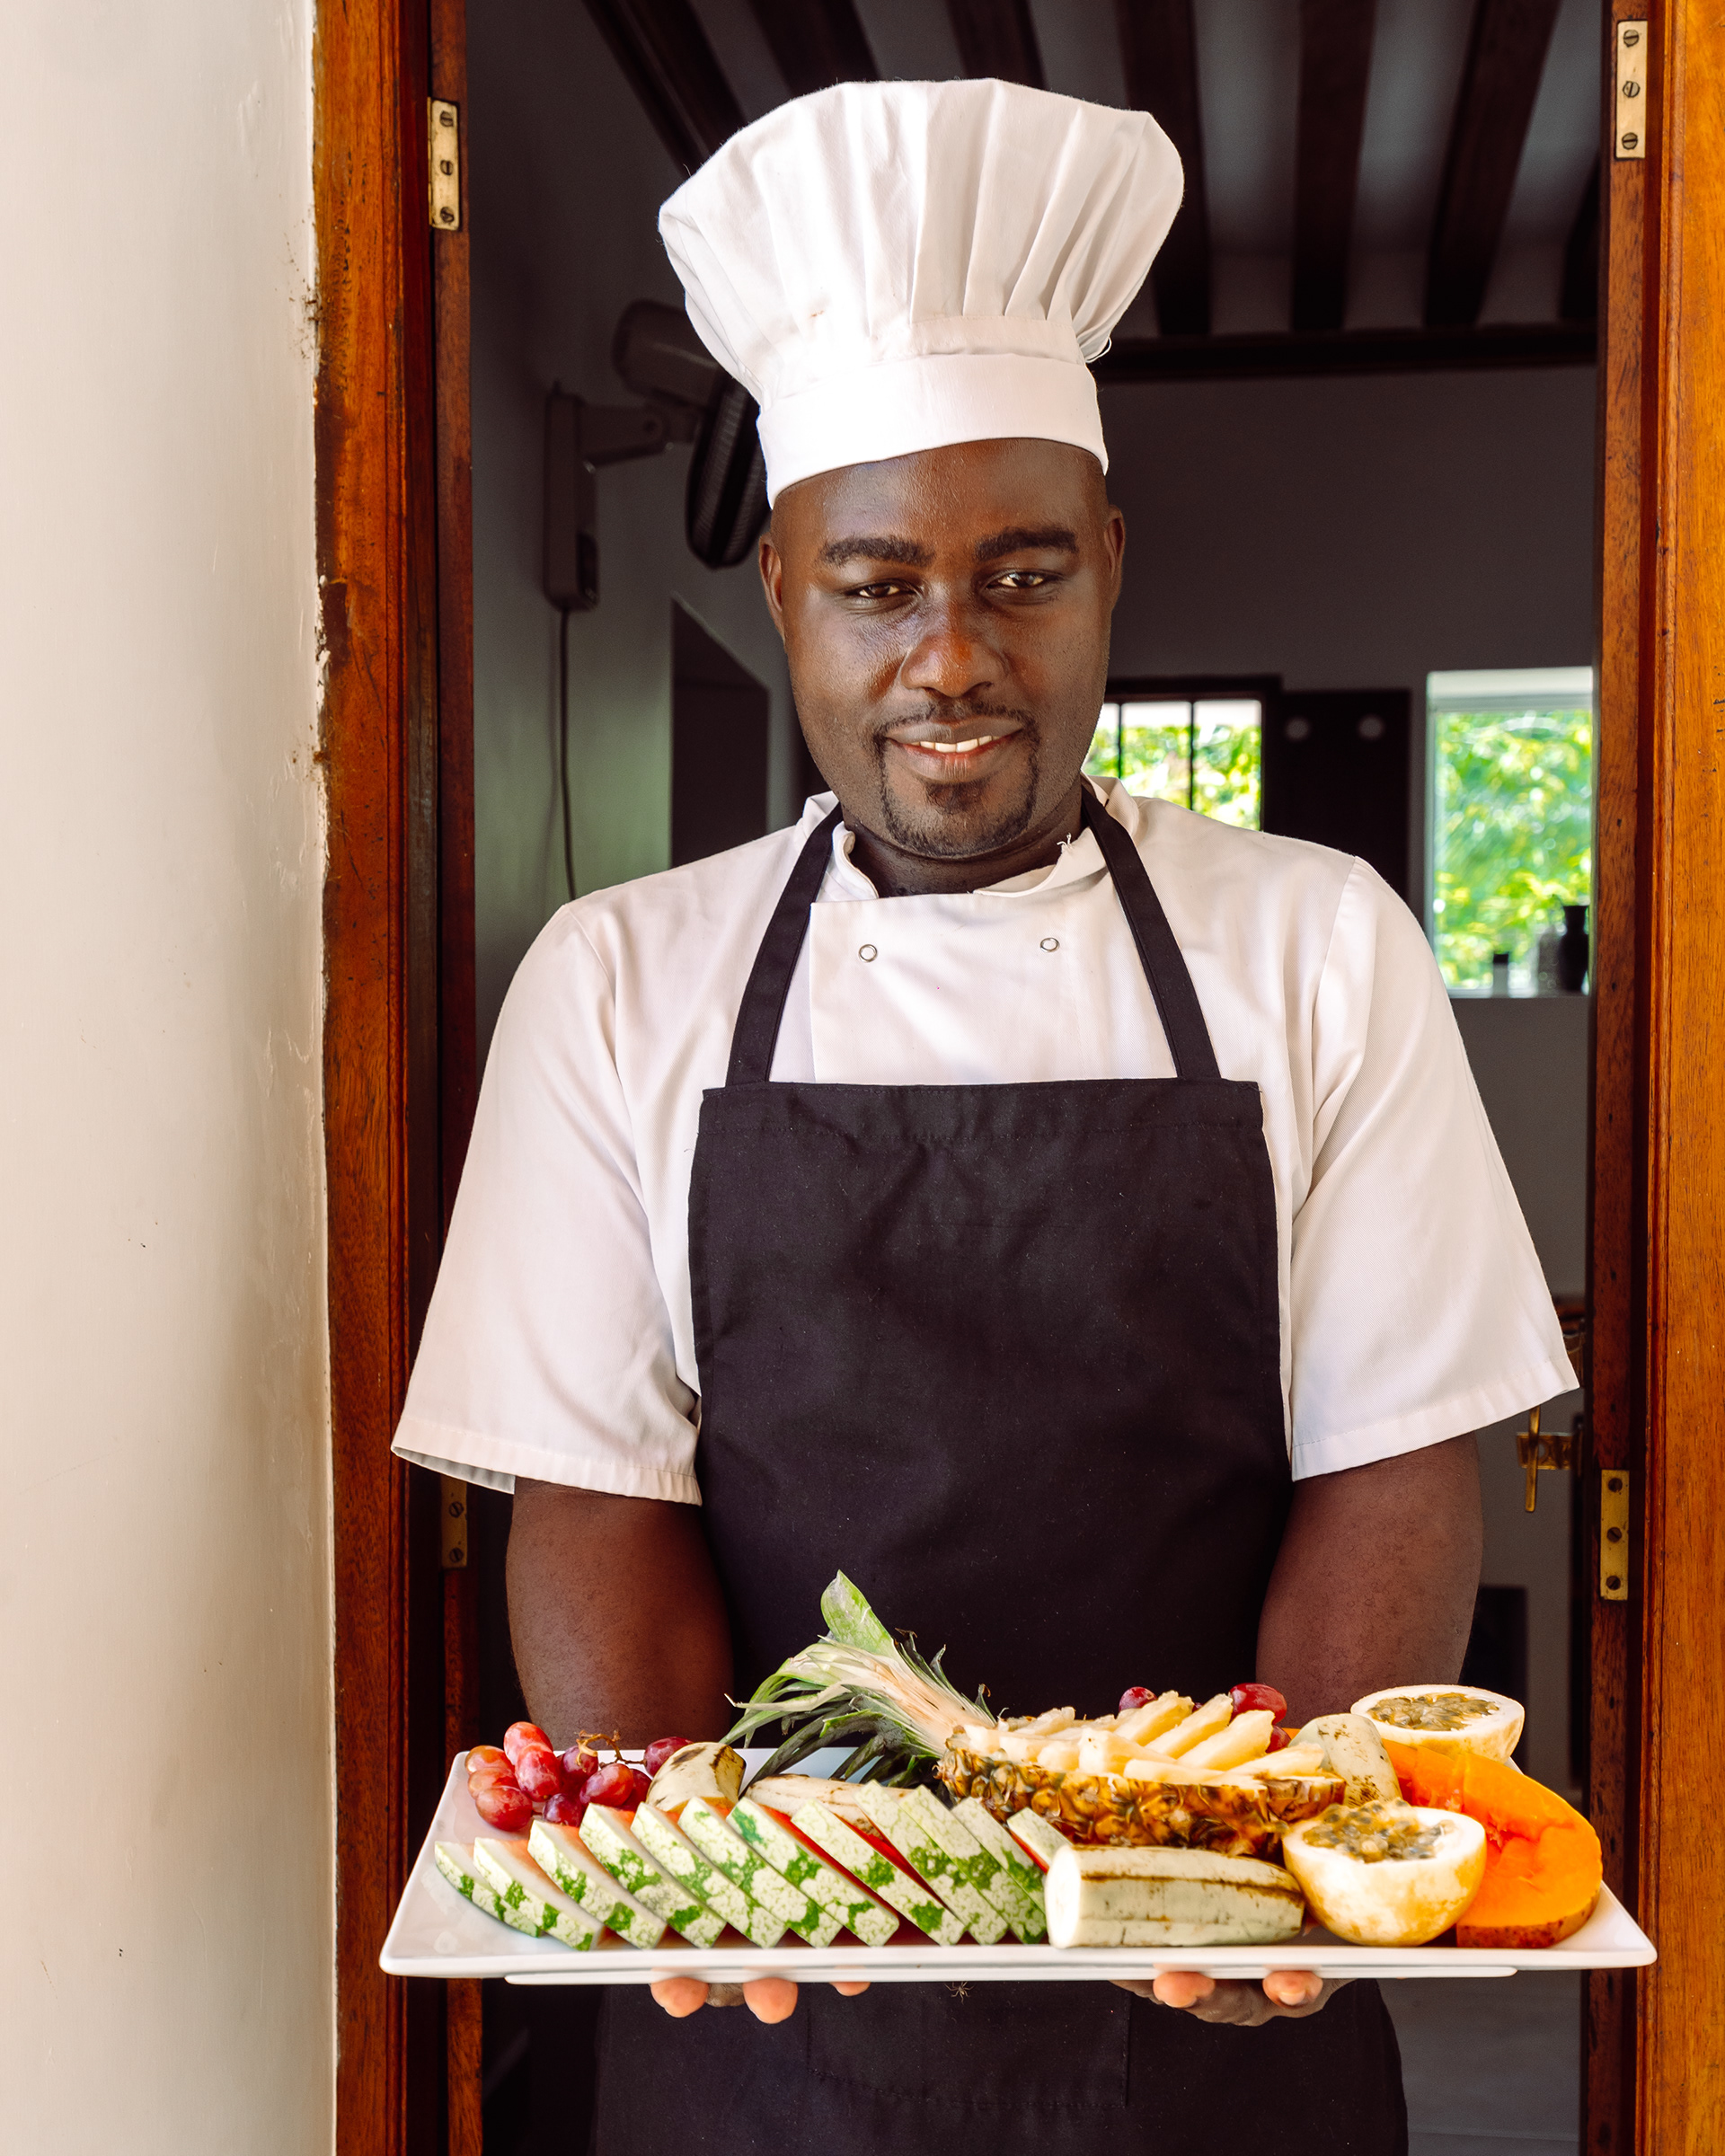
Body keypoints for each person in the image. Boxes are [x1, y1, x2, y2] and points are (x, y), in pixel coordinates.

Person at [396, 77, 1577, 2153]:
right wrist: (705, 1868)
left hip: (1216, 1993)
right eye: (877, 586)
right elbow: (596, 1495)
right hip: (775, 2010)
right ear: (783, 588)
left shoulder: (1321, 943)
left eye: (1021, 575)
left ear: (1109, 564)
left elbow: (1391, 1460)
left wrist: (1285, 1845)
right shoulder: (617, 979)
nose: (950, 659)